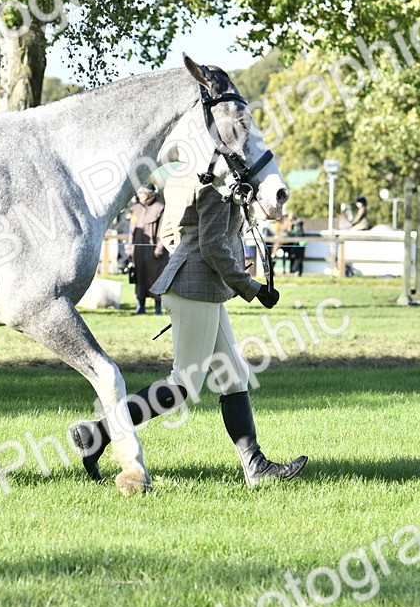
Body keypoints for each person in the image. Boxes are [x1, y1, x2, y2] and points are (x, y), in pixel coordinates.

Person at [70, 173, 308, 488]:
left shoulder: (181, 178)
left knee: (234, 375)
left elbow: (170, 234)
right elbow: (212, 246)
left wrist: (187, 258)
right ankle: (98, 432)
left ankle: (256, 466)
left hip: (196, 286)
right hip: (196, 290)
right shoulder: (215, 186)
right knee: (183, 384)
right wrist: (251, 287)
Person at [124, 184, 168, 315]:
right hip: (138, 250)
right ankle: (141, 306)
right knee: (140, 276)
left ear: (149, 194)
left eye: (142, 193)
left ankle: (158, 307)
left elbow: (163, 230)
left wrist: (159, 249)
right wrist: (129, 248)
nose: (139, 195)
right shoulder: (135, 208)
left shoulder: (160, 208)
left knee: (156, 277)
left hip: (154, 251)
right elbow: (131, 231)